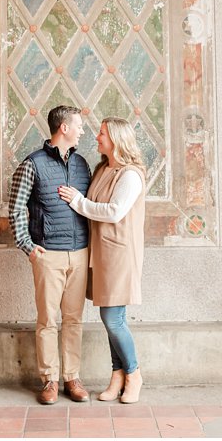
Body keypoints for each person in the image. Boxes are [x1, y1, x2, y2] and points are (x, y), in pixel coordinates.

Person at [58, 117, 148, 404]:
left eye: (102, 133)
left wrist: (77, 201)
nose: (97, 137)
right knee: (108, 317)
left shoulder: (130, 174)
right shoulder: (102, 168)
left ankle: (133, 373)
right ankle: (117, 374)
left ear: (117, 139)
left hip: (120, 254)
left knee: (114, 318)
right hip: (101, 252)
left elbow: (114, 212)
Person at [8, 105, 92, 404]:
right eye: (78, 125)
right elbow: (16, 207)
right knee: (48, 320)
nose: (83, 130)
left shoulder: (82, 164)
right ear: (64, 128)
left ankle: (72, 377)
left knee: (74, 319)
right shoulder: (32, 164)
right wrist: (28, 246)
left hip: (80, 252)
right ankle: (49, 380)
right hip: (48, 254)